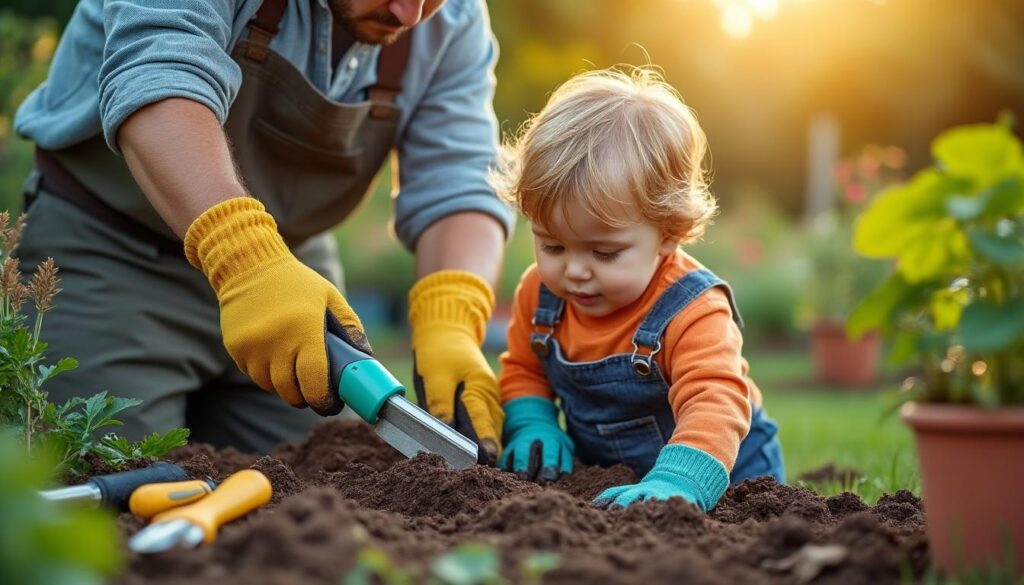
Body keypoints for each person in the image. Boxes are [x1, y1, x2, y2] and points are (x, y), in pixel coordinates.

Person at [12, 0, 511, 458]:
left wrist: (450, 317)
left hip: (291, 279)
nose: (409, 13)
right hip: (111, 252)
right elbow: (160, 79)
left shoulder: (454, 19)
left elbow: (460, 176)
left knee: (324, 486)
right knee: (115, 482)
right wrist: (245, 259)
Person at [491, 67, 785, 511]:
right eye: (551, 245)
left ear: (669, 232)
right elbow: (525, 369)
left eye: (604, 253)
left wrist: (680, 481)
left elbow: (715, 398)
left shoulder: (692, 310)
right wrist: (534, 422)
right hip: (614, 481)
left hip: (725, 476)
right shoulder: (540, 294)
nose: (574, 271)